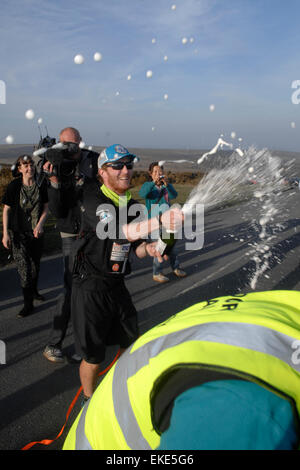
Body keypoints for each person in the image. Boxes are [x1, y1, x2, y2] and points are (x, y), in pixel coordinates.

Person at [63, 290, 300, 450]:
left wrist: (146, 249)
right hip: (93, 292)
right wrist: (159, 222)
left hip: (128, 396)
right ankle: (87, 395)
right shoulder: (247, 408)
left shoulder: (281, 307)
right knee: (93, 357)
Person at [69, 144, 184, 405]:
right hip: (90, 287)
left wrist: (153, 247)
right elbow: (117, 231)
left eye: (129, 165)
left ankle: (120, 387)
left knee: (130, 341)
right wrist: (161, 220)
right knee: (94, 355)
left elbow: (137, 248)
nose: (125, 170)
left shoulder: (133, 205)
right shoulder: (92, 197)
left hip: (116, 284)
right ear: (102, 171)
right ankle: (89, 400)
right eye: (117, 165)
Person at [42, 127, 98, 363]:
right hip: (69, 231)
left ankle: (84, 343)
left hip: (93, 230)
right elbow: (57, 209)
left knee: (91, 287)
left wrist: (85, 181)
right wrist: (54, 180)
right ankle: (54, 343)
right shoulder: (55, 164)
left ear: (81, 143)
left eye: (73, 145)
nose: (70, 150)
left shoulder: (94, 161)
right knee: (70, 287)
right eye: (65, 145)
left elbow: (102, 191)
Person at [1, 155, 48, 318]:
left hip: (36, 232)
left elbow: (46, 208)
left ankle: (34, 292)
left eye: (31, 165)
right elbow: (6, 210)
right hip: (18, 233)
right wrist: (5, 233)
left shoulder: (41, 184)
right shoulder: (14, 186)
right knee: (24, 269)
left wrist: (40, 224)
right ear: (20, 169)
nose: (30, 168)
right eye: (25, 166)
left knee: (35, 265)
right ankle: (28, 304)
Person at [139, 161, 186, 283]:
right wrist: (153, 183)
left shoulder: (165, 187)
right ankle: (157, 272)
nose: (158, 174)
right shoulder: (148, 185)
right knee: (158, 249)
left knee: (172, 247)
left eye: (160, 172)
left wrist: (167, 185)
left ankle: (176, 268)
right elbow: (142, 193)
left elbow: (174, 195)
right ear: (150, 174)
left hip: (168, 222)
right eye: (155, 172)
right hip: (154, 223)